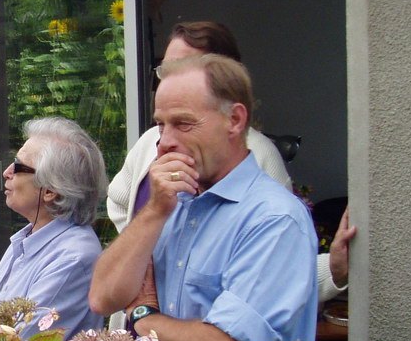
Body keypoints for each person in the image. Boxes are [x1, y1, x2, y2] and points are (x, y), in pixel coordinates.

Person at [89, 54, 317, 341]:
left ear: (234, 120)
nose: (164, 142)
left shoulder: (274, 218)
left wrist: (144, 318)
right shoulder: (171, 203)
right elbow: (101, 298)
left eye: (183, 123)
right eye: (160, 125)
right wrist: (154, 210)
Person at [106, 21, 354, 305]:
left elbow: (279, 269)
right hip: (136, 320)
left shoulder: (260, 155)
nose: (170, 80)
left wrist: (333, 271)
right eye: (166, 70)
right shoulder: (151, 140)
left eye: (185, 68)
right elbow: (118, 200)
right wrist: (140, 255)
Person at [0, 117, 106, 341]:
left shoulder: (73, 257)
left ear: (49, 190)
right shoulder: (27, 238)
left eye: (18, 166)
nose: (6, 172)